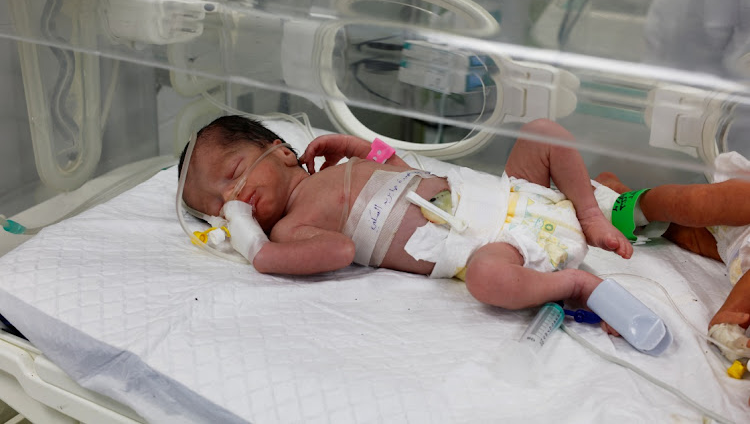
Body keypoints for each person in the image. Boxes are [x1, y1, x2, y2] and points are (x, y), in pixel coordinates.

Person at [179, 115, 633, 325]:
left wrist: (361, 148)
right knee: (487, 282)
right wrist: (258, 249)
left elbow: (400, 170)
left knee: (542, 132)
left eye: (234, 175)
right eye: (220, 206)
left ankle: (590, 213)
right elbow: (341, 250)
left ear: (281, 150)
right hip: (499, 244)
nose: (232, 197)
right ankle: (577, 286)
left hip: (510, 192)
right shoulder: (288, 229)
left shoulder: (334, 172)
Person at [594, 156, 750, 362]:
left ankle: (623, 200)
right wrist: (729, 318)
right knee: (693, 204)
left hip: (734, 252)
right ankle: (628, 203)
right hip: (742, 207)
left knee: (683, 232)